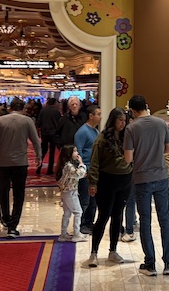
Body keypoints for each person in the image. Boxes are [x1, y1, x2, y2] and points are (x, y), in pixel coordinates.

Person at [124, 95, 169, 276]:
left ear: (132, 111)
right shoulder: (161, 123)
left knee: (145, 221)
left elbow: (128, 158)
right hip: (161, 176)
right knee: (165, 220)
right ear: (146, 106)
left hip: (141, 179)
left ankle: (150, 263)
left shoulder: (131, 128)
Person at [0, 98, 41, 239]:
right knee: (19, 194)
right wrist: (39, 156)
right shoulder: (27, 121)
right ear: (23, 108)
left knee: (3, 191)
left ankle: (6, 220)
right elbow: (36, 140)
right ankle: (13, 226)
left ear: (10, 108)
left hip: (3, 163)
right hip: (20, 162)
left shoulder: (0, 121)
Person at [85, 107, 133, 267]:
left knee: (118, 215)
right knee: (104, 215)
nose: (122, 123)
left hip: (125, 181)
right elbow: (94, 162)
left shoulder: (128, 137)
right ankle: (93, 252)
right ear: (113, 120)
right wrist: (92, 183)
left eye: (124, 121)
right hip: (106, 181)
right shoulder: (102, 138)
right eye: (120, 120)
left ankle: (113, 250)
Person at [73, 104, 102, 234]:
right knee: (85, 199)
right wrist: (82, 169)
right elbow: (78, 152)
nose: (101, 117)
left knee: (93, 199)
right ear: (91, 116)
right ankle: (82, 223)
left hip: (94, 170)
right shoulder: (82, 132)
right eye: (98, 114)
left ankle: (89, 222)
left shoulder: (95, 131)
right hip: (86, 171)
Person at [55, 145, 88, 242]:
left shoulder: (66, 165)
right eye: (75, 151)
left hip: (66, 192)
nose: (77, 153)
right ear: (69, 154)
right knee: (78, 212)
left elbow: (75, 176)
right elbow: (79, 173)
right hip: (70, 192)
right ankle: (76, 234)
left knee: (67, 213)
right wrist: (81, 163)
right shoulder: (69, 166)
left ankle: (63, 234)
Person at [36, 98, 61, 175]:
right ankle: (49, 169)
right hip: (53, 133)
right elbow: (59, 123)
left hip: (44, 133)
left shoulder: (43, 110)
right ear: (54, 103)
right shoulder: (56, 112)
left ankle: (39, 167)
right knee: (52, 152)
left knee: (43, 151)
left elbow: (38, 123)